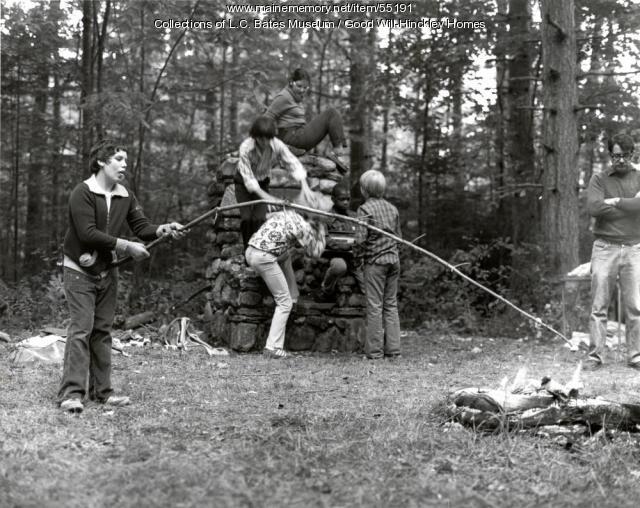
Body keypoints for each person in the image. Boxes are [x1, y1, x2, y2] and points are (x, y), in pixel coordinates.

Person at [58, 139, 184, 413]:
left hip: (107, 271)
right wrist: (126, 246)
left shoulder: (125, 195)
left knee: (102, 332)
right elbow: (87, 233)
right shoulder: (82, 192)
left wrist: (162, 229)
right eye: (118, 159)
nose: (124, 164)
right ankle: (71, 394)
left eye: (125, 160)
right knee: (81, 330)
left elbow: (142, 227)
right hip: (79, 271)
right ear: (102, 162)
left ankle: (102, 393)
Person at [246, 181, 330, 359]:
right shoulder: (302, 225)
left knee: (286, 255)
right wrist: (321, 229)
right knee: (284, 303)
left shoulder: (285, 213)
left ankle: (293, 294)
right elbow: (315, 252)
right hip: (264, 257)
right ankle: (272, 348)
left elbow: (269, 218)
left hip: (251, 251)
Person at [585, 132, 640, 370]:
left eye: (625, 155)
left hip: (634, 248)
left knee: (635, 307)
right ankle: (595, 356)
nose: (621, 160)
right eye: (616, 155)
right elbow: (595, 208)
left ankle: (636, 356)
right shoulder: (599, 178)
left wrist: (615, 202)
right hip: (604, 248)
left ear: (633, 154)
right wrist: (631, 206)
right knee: (599, 305)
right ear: (610, 155)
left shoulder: (639, 177)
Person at [235, 115, 307, 249]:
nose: (264, 142)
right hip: (243, 183)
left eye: (267, 138)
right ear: (255, 136)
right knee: (247, 219)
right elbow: (250, 181)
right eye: (261, 138)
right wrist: (270, 199)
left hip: (263, 182)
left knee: (259, 218)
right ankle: (247, 252)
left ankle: (259, 249)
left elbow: (292, 163)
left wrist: (305, 186)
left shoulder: (277, 145)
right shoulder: (246, 148)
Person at [354, 170, 402, 360]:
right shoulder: (393, 209)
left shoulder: (364, 210)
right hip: (393, 261)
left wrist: (357, 259)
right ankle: (394, 351)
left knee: (374, 306)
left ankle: (374, 352)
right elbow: (399, 238)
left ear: (364, 190)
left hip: (375, 263)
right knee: (390, 305)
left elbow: (359, 240)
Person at [265, 68, 349, 173]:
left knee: (330, 114)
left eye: (305, 87)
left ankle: (338, 155)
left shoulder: (295, 97)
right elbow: (267, 118)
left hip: (297, 134)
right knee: (331, 113)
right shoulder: (283, 97)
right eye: (299, 86)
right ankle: (339, 154)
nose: (302, 90)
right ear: (291, 82)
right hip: (291, 137)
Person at [316, 180, 363, 301]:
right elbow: (325, 239)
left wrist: (357, 244)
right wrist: (344, 246)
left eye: (348, 199)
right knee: (339, 266)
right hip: (334, 257)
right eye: (342, 199)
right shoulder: (325, 218)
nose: (346, 202)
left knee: (368, 286)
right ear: (333, 199)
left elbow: (361, 236)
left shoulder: (354, 217)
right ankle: (326, 290)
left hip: (354, 258)